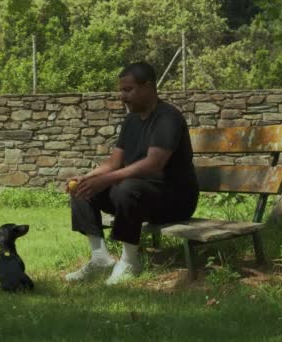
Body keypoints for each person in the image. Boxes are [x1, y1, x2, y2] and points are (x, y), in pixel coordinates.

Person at [66, 62, 199, 285]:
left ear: (147, 87)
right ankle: (100, 258)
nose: (122, 96)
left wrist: (105, 180)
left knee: (126, 188)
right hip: (140, 195)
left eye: (128, 90)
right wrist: (88, 177)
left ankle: (130, 261)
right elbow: (114, 162)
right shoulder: (131, 120)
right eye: (121, 90)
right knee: (83, 190)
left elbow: (153, 165)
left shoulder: (168, 118)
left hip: (175, 198)